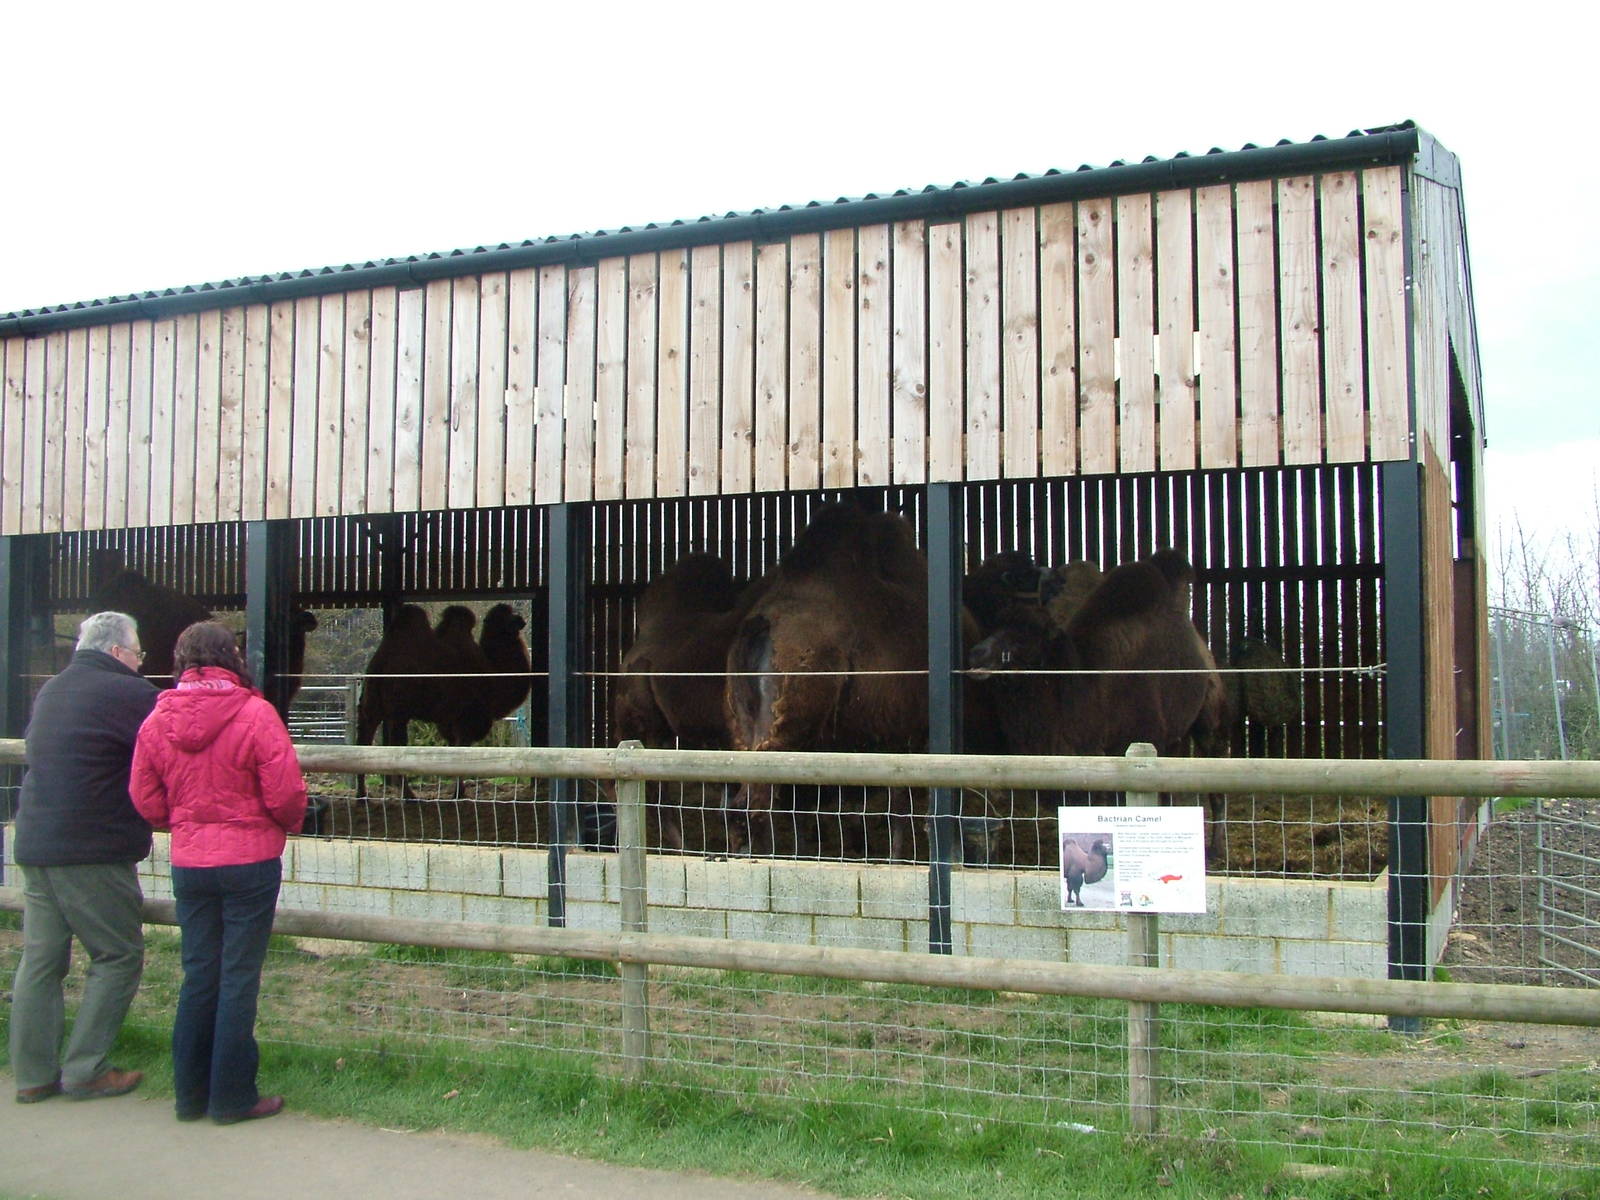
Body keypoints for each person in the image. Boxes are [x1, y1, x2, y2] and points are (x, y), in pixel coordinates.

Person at [130, 620, 307, 1125]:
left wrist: (183, 825)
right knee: (237, 978)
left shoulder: (157, 718)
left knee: (199, 974)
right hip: (249, 862)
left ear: (181, 660)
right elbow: (287, 792)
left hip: (191, 863)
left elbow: (145, 796)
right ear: (231, 656)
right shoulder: (256, 713)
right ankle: (231, 1098)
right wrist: (285, 825)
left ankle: (190, 1096)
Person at [10, 611, 159, 1104]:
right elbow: (175, 734)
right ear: (118, 653)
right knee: (118, 954)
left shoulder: (52, 689)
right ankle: (86, 1068)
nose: (140, 663)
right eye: (138, 654)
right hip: (91, 846)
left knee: (41, 960)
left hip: (34, 840)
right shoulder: (130, 693)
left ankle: (32, 1074)